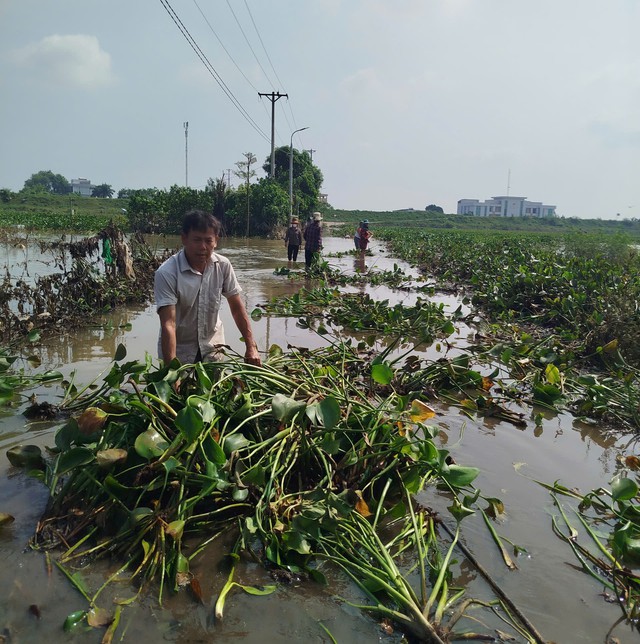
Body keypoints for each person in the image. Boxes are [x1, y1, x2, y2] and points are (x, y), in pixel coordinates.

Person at [153, 210, 261, 366]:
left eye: (208, 240)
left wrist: (251, 346)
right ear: (184, 238)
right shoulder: (167, 273)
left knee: (215, 389)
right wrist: (172, 372)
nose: (203, 247)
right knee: (179, 390)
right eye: (196, 240)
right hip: (179, 353)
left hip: (213, 348)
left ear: (216, 240)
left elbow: (237, 308)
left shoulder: (223, 266)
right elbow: (168, 324)